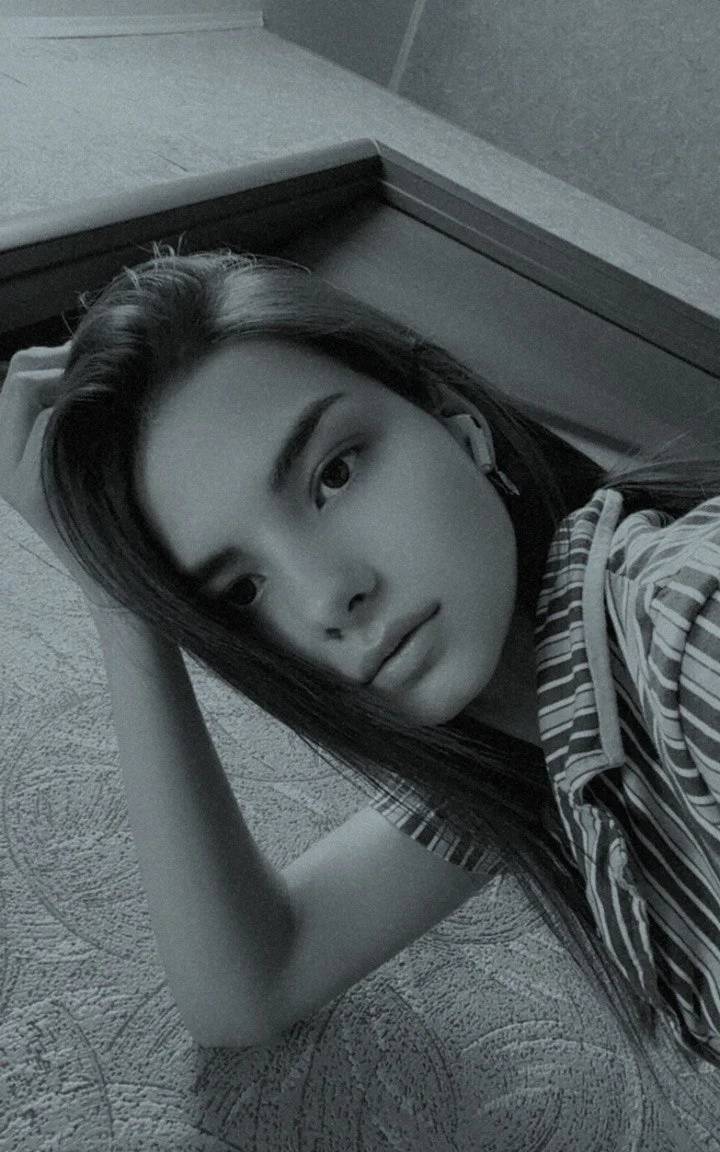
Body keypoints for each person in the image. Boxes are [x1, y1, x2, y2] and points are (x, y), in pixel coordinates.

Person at [2, 244, 719, 1097]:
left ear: (455, 419)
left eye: (333, 475)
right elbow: (246, 990)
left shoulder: (684, 627)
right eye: (242, 590)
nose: (327, 596)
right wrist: (122, 604)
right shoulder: (522, 745)